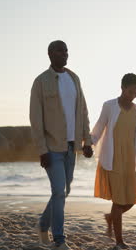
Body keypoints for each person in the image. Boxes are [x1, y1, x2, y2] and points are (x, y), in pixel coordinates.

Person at [29, 40, 93, 250]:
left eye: (66, 50)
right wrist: (42, 149)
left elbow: (82, 111)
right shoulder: (41, 82)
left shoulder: (74, 78)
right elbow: (35, 118)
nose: (64, 54)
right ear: (50, 54)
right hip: (52, 147)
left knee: (63, 191)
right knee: (58, 190)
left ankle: (43, 224)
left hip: (71, 146)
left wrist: (87, 141)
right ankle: (59, 240)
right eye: (59, 50)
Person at [92, 73, 136, 250]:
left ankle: (111, 217)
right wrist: (88, 144)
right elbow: (98, 127)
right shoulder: (109, 106)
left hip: (129, 160)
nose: (133, 95)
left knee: (130, 200)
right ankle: (119, 242)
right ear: (122, 88)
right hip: (113, 159)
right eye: (130, 91)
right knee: (119, 201)